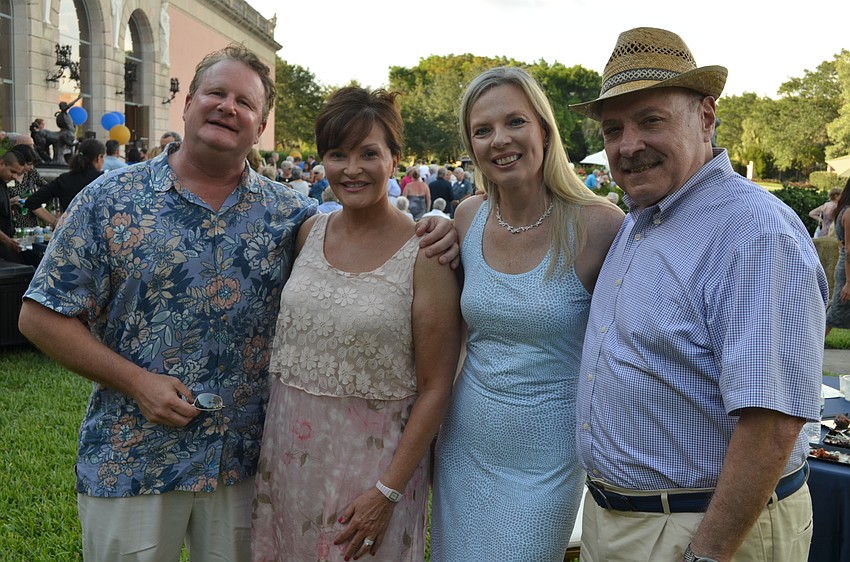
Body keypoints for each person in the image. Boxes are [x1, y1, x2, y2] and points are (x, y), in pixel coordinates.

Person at [18, 44, 459, 562]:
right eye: (216, 93)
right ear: (187, 105)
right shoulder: (109, 199)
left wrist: (443, 225)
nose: (228, 107)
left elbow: (368, 251)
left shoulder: (290, 215)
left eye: (244, 102)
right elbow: (39, 315)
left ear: (260, 124)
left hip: (246, 467)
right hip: (132, 458)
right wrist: (137, 382)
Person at [569, 27, 827, 562]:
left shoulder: (753, 232)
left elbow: (773, 420)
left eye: (651, 121)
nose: (628, 145)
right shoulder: (642, 220)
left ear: (706, 116)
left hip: (705, 531)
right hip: (624, 523)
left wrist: (706, 554)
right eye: (614, 129)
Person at [252, 86, 461, 562]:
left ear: (395, 159)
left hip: (372, 470)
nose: (351, 169)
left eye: (369, 153)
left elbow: (436, 387)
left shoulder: (425, 252)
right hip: (288, 460)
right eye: (337, 154)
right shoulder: (309, 232)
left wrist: (386, 493)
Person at [430, 66, 623, 561]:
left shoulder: (599, 224)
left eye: (515, 122)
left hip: (549, 461)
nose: (500, 140)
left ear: (544, 128)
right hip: (465, 445)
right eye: (482, 130)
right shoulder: (467, 218)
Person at [23, 138, 104, 227]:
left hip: (70, 230)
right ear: (99, 158)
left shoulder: (64, 179)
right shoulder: (103, 181)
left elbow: (32, 202)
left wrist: (55, 222)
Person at [826, 178, 850, 337]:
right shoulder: (849, 212)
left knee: (836, 311)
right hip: (848, 271)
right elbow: (849, 250)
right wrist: (849, 283)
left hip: (845, 269)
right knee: (835, 313)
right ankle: (807, 354)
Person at [0, 150, 26, 262]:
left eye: (18, 174)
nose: (15, 177)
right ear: (1, 163)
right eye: (12, 171)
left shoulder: (3, 181)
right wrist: (9, 242)